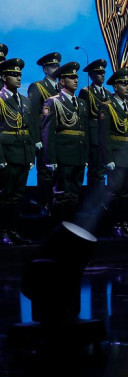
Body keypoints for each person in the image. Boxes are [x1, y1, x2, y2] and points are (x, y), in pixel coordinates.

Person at [41, 61, 88, 223]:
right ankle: (60, 228)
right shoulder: (53, 102)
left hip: (78, 155)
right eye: (71, 77)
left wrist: (86, 156)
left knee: (74, 194)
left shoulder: (81, 103)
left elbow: (84, 132)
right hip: (63, 155)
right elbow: (48, 132)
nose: (76, 80)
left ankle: (71, 228)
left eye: (76, 77)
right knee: (62, 195)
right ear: (62, 81)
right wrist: (50, 159)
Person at [99, 67, 128, 238]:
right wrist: (108, 158)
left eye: (127, 84)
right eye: (123, 84)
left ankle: (124, 224)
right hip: (116, 155)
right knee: (115, 193)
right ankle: (115, 224)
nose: (127, 87)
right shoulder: (107, 106)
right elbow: (104, 135)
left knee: (126, 193)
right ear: (115, 87)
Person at [0, 58, 35, 245]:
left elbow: (29, 130)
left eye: (19, 74)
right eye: (14, 74)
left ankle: (13, 230)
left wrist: (30, 156)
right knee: (5, 195)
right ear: (3, 77)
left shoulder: (25, 101)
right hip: (6, 153)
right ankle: (3, 232)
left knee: (17, 196)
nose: (18, 78)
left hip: (22, 153)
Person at [28, 51, 61, 216]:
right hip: (44, 135)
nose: (56, 68)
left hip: (60, 136)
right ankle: (45, 203)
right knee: (45, 172)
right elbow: (33, 114)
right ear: (45, 69)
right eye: (52, 66)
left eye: (57, 66)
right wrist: (36, 138)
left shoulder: (62, 87)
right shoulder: (37, 87)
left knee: (59, 171)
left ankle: (57, 203)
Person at [78, 58, 110, 204]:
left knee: (103, 170)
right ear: (91, 75)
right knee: (94, 170)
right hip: (93, 135)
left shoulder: (108, 93)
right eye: (98, 73)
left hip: (105, 136)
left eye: (103, 72)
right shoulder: (86, 92)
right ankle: (93, 203)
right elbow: (84, 116)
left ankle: (101, 202)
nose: (102, 75)